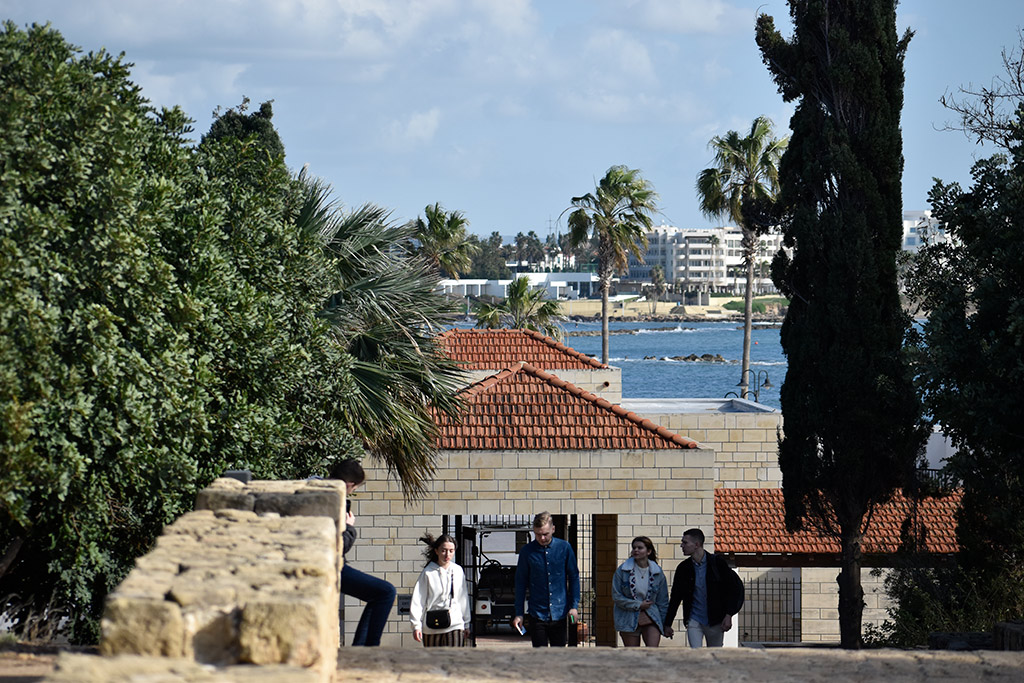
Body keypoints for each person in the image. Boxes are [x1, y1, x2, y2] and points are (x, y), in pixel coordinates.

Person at [330, 459, 396, 646]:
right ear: (349, 485)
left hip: (328, 563)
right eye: (353, 489)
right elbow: (339, 546)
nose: (351, 492)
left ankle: (364, 646)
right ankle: (368, 647)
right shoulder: (335, 500)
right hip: (332, 566)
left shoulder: (319, 489)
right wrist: (349, 528)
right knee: (386, 592)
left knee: (380, 594)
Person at [664, 528, 744, 648]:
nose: (681, 545)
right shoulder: (683, 568)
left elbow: (735, 589)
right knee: (696, 654)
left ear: (696, 545)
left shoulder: (717, 563)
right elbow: (675, 597)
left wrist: (729, 614)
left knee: (715, 653)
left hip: (715, 619)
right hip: (694, 619)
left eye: (685, 542)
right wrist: (668, 624)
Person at [512, 512, 581, 647]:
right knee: (539, 657)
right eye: (538, 534)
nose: (542, 538)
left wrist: (574, 606)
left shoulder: (564, 548)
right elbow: (520, 583)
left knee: (559, 655)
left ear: (553, 529)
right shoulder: (527, 551)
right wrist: (519, 613)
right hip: (537, 612)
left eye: (545, 534)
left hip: (559, 611)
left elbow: (573, 577)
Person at [409, 534, 472, 647]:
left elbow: (463, 598)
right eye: (443, 550)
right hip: (431, 626)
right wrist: (416, 626)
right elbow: (418, 600)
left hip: (455, 624)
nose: (447, 554)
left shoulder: (457, 570)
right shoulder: (428, 572)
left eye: (451, 551)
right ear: (436, 551)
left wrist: (466, 623)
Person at [612, 536, 669, 647]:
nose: (636, 550)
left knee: (652, 653)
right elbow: (616, 596)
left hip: (651, 615)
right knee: (633, 655)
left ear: (648, 551)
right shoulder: (623, 571)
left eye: (640, 548)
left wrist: (666, 624)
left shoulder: (657, 572)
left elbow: (663, 601)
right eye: (634, 548)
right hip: (628, 617)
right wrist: (638, 604)